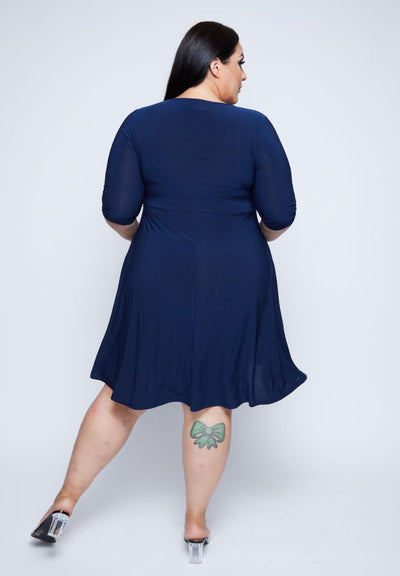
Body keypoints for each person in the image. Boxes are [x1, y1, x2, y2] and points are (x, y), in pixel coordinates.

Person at [31, 20, 307, 564]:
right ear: (215, 65)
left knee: (123, 393)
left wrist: (148, 236)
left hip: (156, 271)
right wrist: (252, 237)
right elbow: (279, 216)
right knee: (211, 394)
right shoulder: (254, 128)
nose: (245, 75)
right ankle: (196, 527)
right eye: (241, 62)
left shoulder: (140, 124)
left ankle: (63, 502)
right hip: (235, 276)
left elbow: (118, 211)